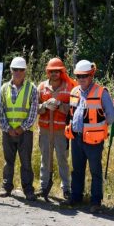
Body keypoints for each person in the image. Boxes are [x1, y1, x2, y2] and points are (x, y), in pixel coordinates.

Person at [65, 60, 114, 212]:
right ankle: (76, 197)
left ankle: (95, 201)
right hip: (76, 138)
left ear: (91, 75)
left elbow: (112, 116)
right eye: (79, 76)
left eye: (85, 75)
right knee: (77, 169)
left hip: (94, 140)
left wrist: (99, 128)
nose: (82, 79)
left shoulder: (102, 92)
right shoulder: (74, 92)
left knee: (95, 171)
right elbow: (71, 113)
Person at [0, 56, 39, 200]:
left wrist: (22, 128)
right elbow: (0, 110)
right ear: (11, 70)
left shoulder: (32, 88)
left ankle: (28, 190)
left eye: (21, 70)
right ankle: (6, 187)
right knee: (8, 161)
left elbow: (33, 112)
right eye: (15, 69)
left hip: (25, 133)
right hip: (7, 132)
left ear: (25, 71)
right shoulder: (3, 88)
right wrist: (7, 128)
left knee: (26, 162)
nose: (18, 72)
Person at [36, 57, 75, 201]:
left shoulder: (69, 88)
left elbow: (73, 110)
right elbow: (35, 109)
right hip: (45, 130)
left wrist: (59, 105)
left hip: (61, 131)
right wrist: (45, 106)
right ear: (48, 72)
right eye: (52, 71)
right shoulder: (41, 87)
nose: (54, 74)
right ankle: (43, 186)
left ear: (61, 72)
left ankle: (66, 189)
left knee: (62, 159)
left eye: (57, 71)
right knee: (45, 159)